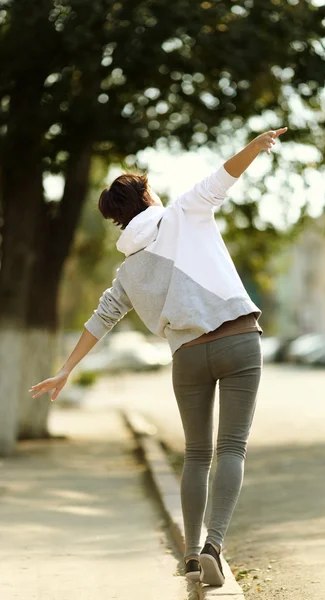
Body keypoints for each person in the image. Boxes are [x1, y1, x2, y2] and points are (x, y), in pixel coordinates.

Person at [29, 127, 288, 586]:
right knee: (231, 447)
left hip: (187, 357)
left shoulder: (128, 270)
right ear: (148, 194)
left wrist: (66, 369)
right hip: (238, 340)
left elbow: (100, 319)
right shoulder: (185, 211)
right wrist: (257, 143)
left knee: (196, 454)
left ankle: (190, 555)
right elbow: (223, 176)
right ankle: (214, 546)